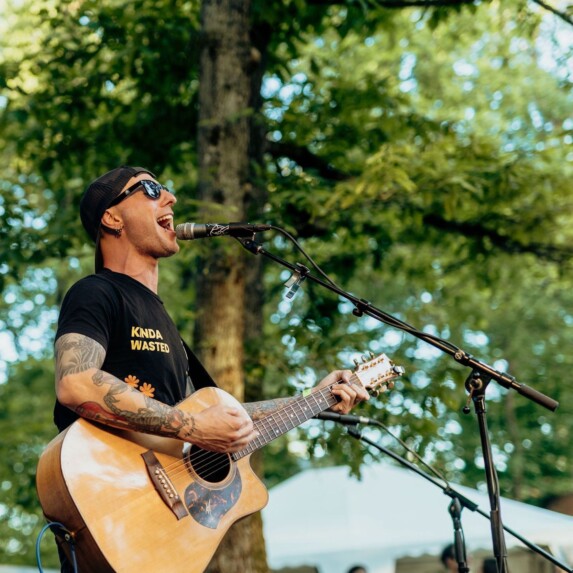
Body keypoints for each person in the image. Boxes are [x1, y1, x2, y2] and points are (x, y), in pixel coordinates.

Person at [52, 165, 369, 571]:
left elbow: (219, 421)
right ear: (112, 218)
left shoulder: (164, 323)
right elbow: (76, 382)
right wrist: (194, 427)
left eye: (167, 189)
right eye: (151, 189)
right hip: (108, 505)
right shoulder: (97, 292)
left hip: (158, 535)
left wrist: (315, 399)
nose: (171, 198)